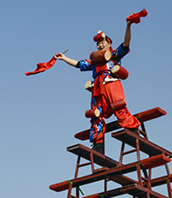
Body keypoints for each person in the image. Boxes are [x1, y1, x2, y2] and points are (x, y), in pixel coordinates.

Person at [54, 17, 140, 153]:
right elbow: (78, 64)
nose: (100, 45)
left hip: (112, 86)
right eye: (98, 44)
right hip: (97, 90)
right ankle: (98, 144)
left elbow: (126, 43)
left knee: (120, 108)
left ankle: (133, 131)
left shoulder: (114, 55)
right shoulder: (94, 63)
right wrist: (63, 58)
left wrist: (128, 25)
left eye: (102, 42)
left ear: (108, 43)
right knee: (96, 115)